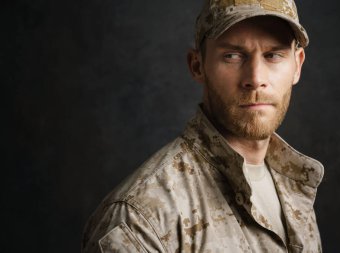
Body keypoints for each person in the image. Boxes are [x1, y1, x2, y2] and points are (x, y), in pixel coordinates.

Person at [81, 0, 324, 252]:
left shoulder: (295, 186)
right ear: (197, 66)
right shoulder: (141, 218)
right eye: (232, 56)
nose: (255, 79)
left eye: (273, 55)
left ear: (297, 65)